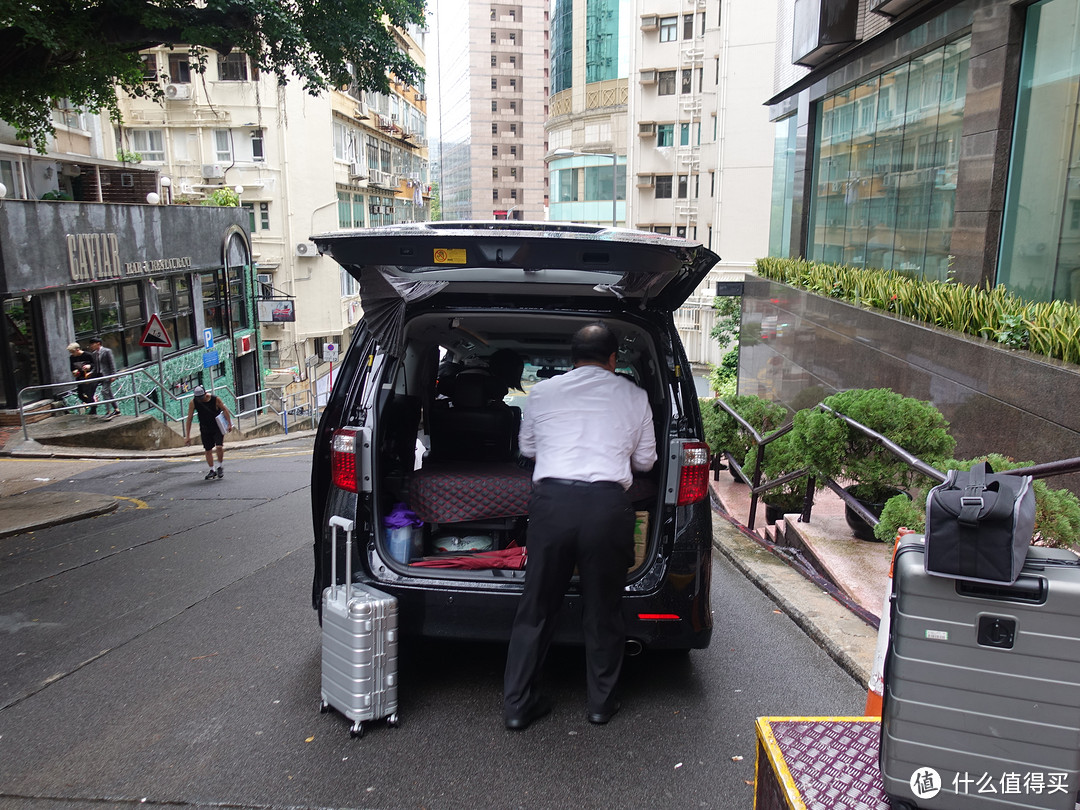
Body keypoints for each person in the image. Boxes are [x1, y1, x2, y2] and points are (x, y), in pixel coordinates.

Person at [503, 322, 657, 731]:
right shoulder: (636, 396)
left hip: (552, 505)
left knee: (535, 607)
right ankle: (599, 705)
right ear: (613, 359)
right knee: (603, 609)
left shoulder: (542, 393)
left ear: (573, 359)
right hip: (607, 508)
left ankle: (518, 707)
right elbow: (645, 462)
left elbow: (528, 449)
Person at [183, 385, 234, 480]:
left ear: (205, 394)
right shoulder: (193, 402)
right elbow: (189, 419)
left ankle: (220, 466)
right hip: (204, 428)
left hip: (217, 427)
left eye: (201, 398)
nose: (200, 400)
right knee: (208, 450)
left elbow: (225, 410)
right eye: (198, 398)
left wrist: (229, 424)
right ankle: (212, 470)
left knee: (219, 446)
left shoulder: (215, 399)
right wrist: (188, 436)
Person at [88, 337, 121, 420]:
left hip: (107, 375)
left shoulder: (107, 351)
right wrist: (91, 373)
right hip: (100, 376)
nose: (91, 346)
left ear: (98, 343)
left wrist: (114, 375)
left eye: (92, 344)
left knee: (104, 391)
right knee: (109, 393)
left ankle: (108, 411)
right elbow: (96, 366)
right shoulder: (94, 354)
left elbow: (112, 363)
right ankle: (117, 410)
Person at [67, 342, 98, 414]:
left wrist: (89, 366)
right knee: (80, 394)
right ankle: (93, 404)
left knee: (90, 394)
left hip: (90, 377)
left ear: (77, 350)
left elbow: (96, 365)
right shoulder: (72, 358)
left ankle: (93, 409)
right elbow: (72, 368)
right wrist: (74, 371)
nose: (72, 354)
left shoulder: (88, 355)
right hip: (80, 377)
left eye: (72, 352)